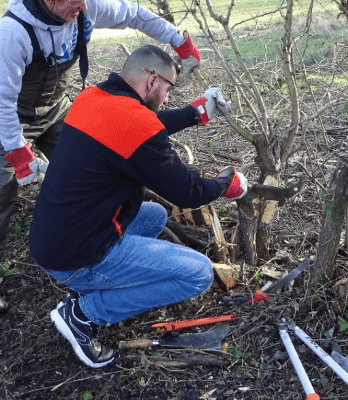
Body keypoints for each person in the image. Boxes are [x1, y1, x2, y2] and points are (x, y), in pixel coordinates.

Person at [0, 0, 203, 319]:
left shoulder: (83, 3)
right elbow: (0, 101)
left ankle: (103, 244)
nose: (82, 8)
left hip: (55, 108)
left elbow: (136, 14)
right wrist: (20, 155)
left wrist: (179, 41)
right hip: (7, 114)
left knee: (97, 165)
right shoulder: (13, 33)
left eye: (85, 0)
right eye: (74, 3)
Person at [29, 45, 247, 368]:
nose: (168, 98)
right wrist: (226, 185)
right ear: (150, 81)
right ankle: (84, 315)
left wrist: (196, 113)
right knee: (198, 274)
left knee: (154, 215)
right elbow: (187, 191)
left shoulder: (92, 99)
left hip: (53, 237)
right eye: (169, 88)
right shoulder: (135, 123)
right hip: (77, 255)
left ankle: (91, 287)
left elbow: (144, 124)